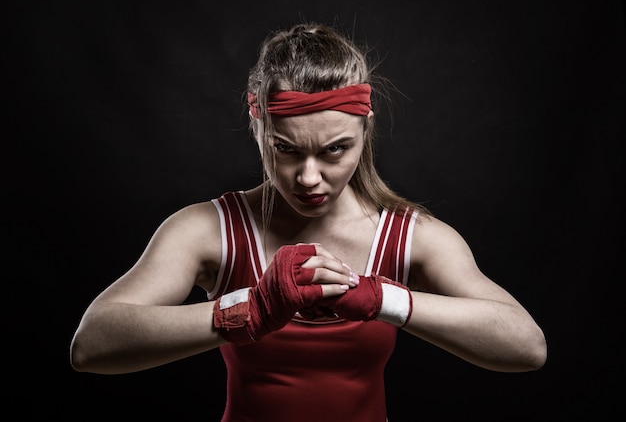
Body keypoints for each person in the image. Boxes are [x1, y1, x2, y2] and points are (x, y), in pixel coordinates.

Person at [70, 22, 547, 421]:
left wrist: (385, 297)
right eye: (286, 149)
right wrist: (249, 311)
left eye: (335, 149)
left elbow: (527, 347)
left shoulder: (408, 237)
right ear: (258, 127)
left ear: (366, 128)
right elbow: (91, 345)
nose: (309, 178)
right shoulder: (208, 230)